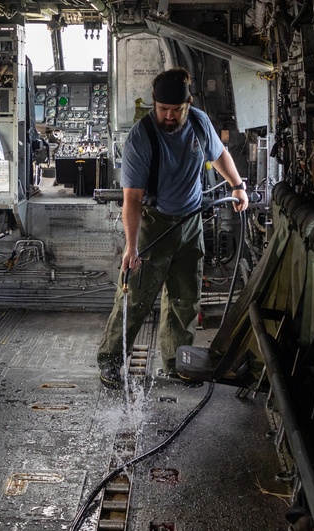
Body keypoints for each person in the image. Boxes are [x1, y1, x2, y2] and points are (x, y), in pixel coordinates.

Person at [98, 67, 249, 388]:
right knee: (136, 297)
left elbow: (219, 154)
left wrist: (237, 185)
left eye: (175, 110)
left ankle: (176, 362)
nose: (169, 116)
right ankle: (110, 362)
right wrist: (131, 246)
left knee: (185, 299)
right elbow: (133, 199)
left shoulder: (197, 122)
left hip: (191, 221)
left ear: (187, 105)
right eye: (163, 109)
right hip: (154, 223)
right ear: (155, 104)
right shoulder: (141, 138)